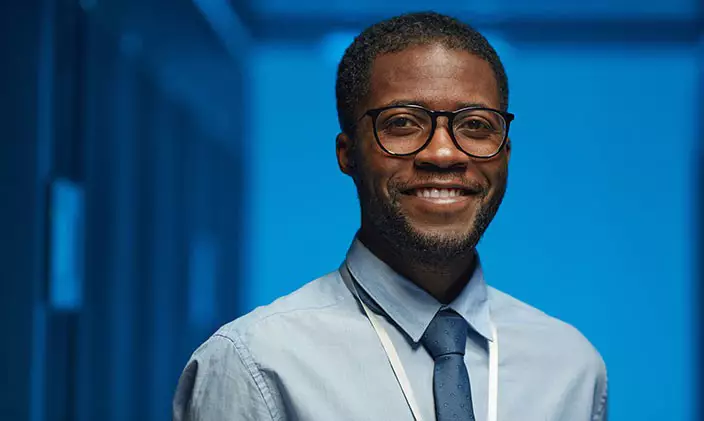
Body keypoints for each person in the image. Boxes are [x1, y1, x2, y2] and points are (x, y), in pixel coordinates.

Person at [172, 11, 608, 421]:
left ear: (506, 154)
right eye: (402, 123)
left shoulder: (571, 367)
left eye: (476, 125)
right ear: (348, 154)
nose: (443, 153)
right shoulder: (255, 364)